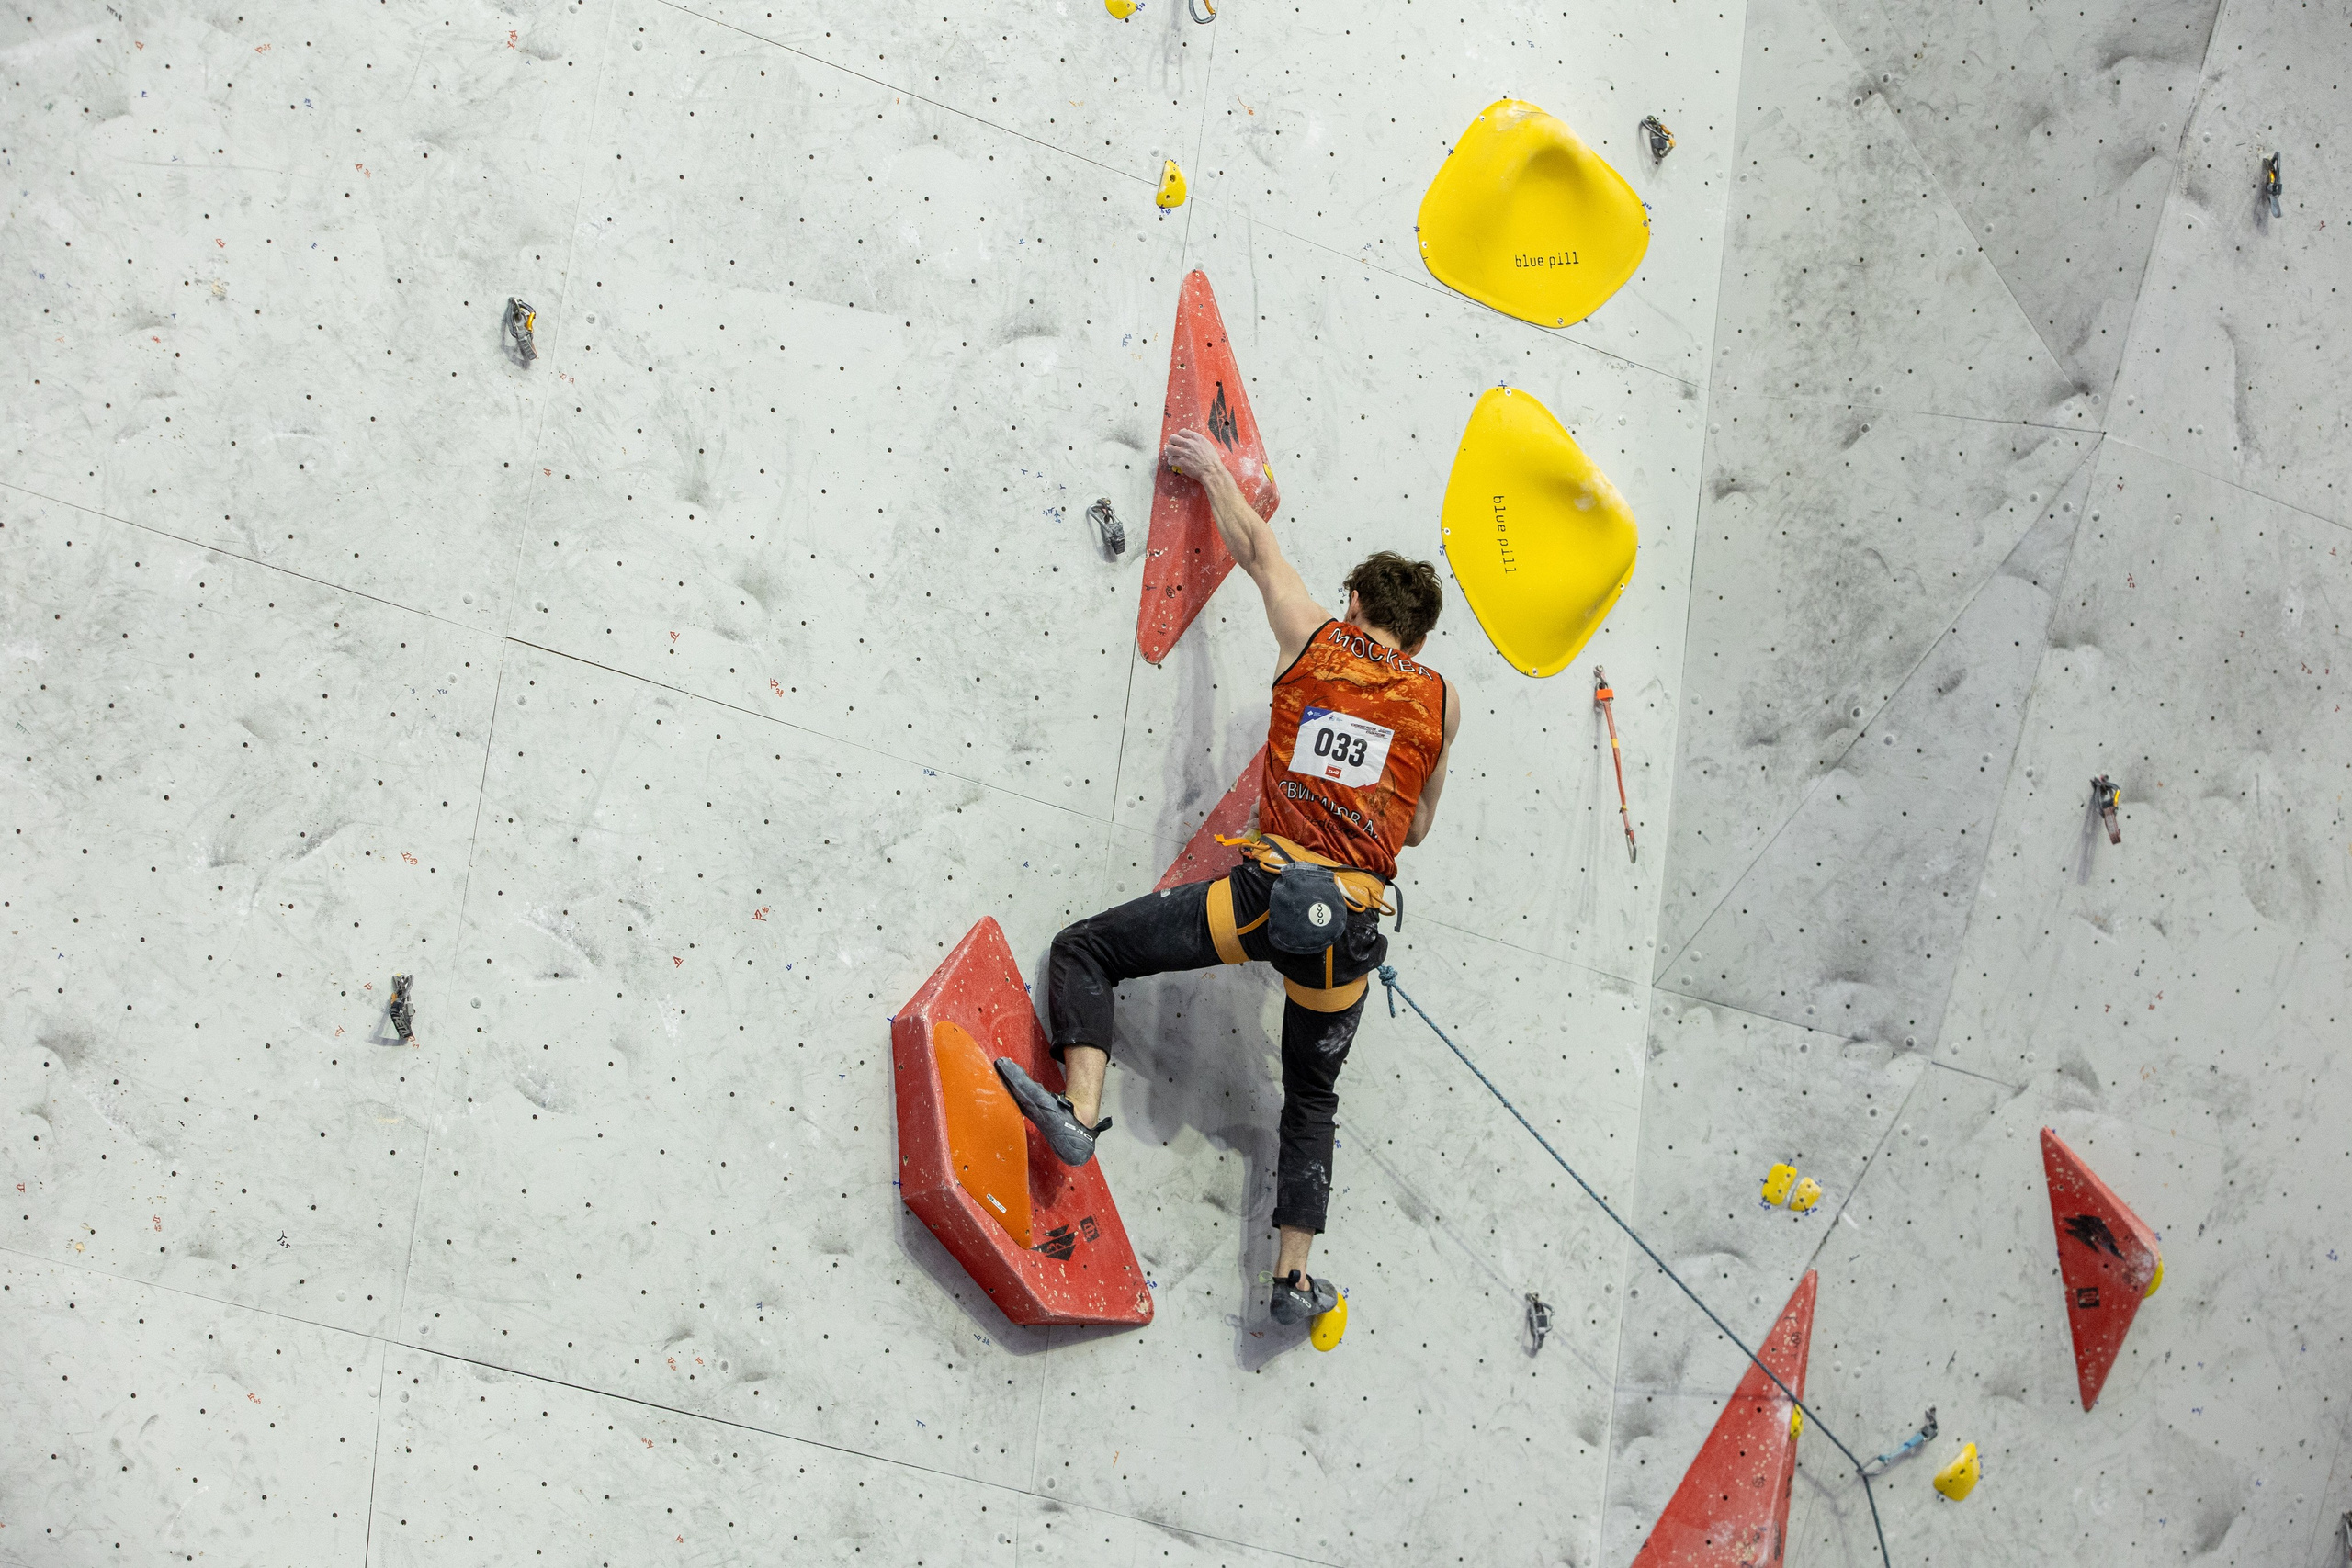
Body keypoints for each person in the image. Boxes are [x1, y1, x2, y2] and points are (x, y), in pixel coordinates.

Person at [995, 425, 1462, 1327]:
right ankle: (1289, 1284)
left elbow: (1253, 545)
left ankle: (1080, 1113)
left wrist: (1207, 467)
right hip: (1351, 933)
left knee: (1087, 950)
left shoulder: (1317, 643)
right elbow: (1423, 824)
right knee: (1312, 1097)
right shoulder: (1439, 702)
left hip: (1264, 902)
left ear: (1354, 599)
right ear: (1421, 635)